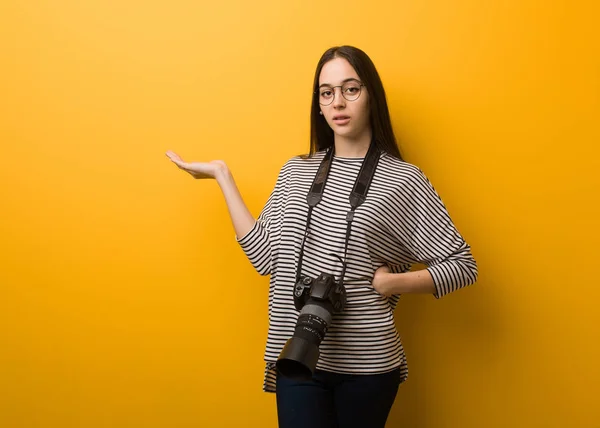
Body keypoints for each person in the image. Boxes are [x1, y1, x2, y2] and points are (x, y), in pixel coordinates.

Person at [166, 45, 478, 428]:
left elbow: (463, 266)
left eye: (351, 89)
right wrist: (222, 177)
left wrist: (392, 282)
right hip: (297, 353)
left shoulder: (403, 179)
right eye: (326, 92)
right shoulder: (295, 172)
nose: (338, 102)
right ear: (318, 104)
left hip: (367, 362)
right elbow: (264, 258)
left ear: (371, 96)